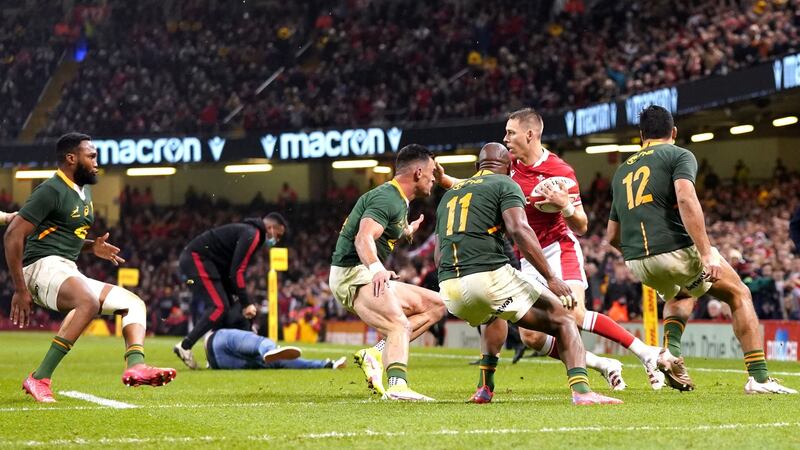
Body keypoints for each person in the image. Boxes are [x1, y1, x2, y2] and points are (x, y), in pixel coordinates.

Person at [606, 105, 796, 394]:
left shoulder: (621, 171)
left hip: (636, 261)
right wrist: (706, 253)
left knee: (681, 292)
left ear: (641, 135)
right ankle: (758, 378)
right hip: (673, 249)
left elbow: (611, 236)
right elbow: (686, 198)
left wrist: (643, 255)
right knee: (738, 293)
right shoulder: (679, 155)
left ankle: (671, 355)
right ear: (674, 132)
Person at [436, 143, 621, 405]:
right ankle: (582, 392)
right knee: (563, 317)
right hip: (486, 278)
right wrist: (551, 278)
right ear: (509, 168)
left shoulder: (450, 195)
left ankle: (484, 389)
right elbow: (519, 230)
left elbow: (438, 251)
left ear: (477, 167)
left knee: (494, 315)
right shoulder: (506, 183)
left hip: (449, 289)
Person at [4, 132, 176, 403]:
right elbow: (13, 234)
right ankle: (40, 377)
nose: (97, 161)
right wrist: (19, 288)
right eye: (91, 156)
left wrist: (91, 246)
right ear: (71, 159)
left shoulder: (83, 192)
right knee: (87, 302)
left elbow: (62, 233)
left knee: (133, 303)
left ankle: (135, 365)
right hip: (40, 267)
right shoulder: (51, 189)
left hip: (66, 268)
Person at [503, 108, 667, 390]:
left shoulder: (560, 172)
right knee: (530, 336)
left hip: (558, 249)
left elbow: (581, 225)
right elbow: (479, 186)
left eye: (510, 133)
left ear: (530, 135)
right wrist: (446, 182)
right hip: (529, 258)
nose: (505, 138)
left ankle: (646, 353)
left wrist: (565, 204)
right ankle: (604, 364)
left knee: (574, 314)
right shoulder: (507, 165)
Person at [329, 144, 448, 401]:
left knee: (437, 305)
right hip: (353, 274)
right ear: (417, 172)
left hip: (363, 272)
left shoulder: (398, 201)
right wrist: (377, 269)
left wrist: (406, 232)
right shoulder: (387, 198)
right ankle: (397, 387)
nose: (433, 178)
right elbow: (363, 238)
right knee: (398, 324)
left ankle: (375, 353)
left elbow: (382, 233)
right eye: (431, 172)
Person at [173, 212, 288, 369]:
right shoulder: (253, 234)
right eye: (278, 235)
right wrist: (246, 303)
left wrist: (239, 299)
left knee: (227, 306)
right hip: (197, 259)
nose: (277, 241)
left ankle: (215, 356)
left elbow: (230, 270)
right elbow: (237, 271)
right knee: (219, 306)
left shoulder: (250, 232)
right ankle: (185, 346)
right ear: (270, 228)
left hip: (206, 262)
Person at [204, 328, 346, 370]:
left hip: (217, 362)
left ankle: (328, 364)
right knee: (261, 343)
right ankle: (269, 350)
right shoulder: (237, 304)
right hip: (220, 338)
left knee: (278, 361)